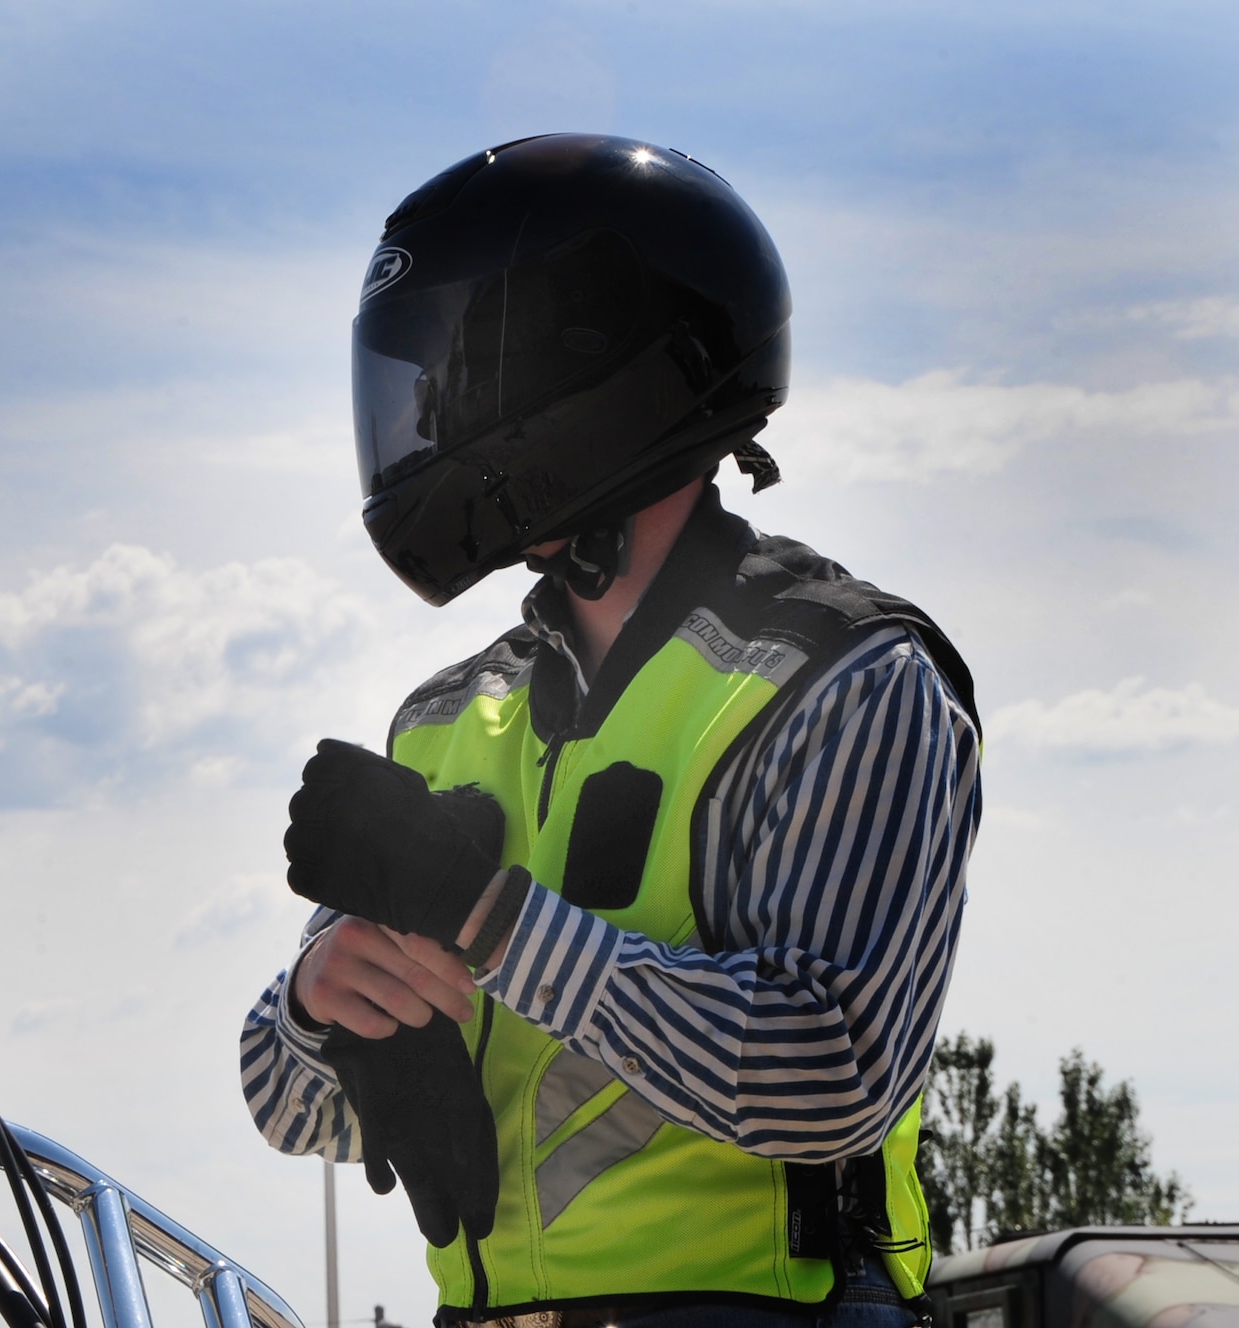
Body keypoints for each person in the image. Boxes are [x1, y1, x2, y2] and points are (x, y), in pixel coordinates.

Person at [239, 135, 981, 1328]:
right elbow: (293, 1111)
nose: (418, 416)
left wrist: (491, 921)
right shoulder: (439, 722)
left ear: (577, 383)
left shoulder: (847, 680)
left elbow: (829, 1074)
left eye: (443, 376)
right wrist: (316, 1007)